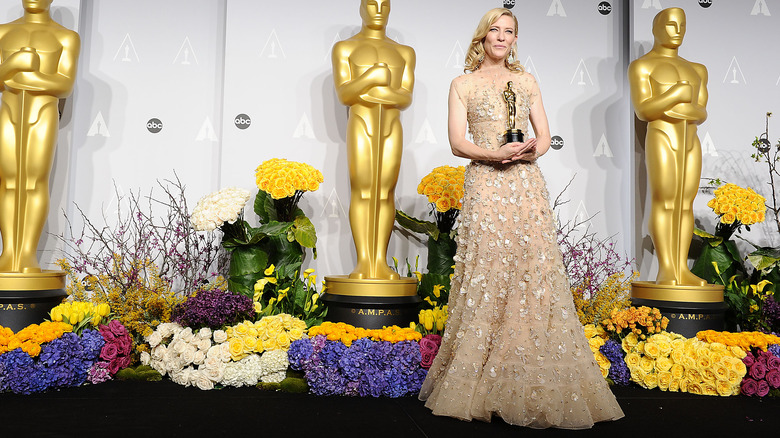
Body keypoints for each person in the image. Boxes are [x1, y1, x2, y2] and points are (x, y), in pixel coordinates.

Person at [418, 8, 624, 429]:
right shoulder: (462, 84)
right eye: (494, 29)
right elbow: (458, 143)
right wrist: (494, 154)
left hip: (525, 184)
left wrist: (533, 150)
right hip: (486, 184)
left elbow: (545, 135)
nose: (501, 36)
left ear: (515, 39)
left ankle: (531, 378)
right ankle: (480, 382)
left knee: (533, 272)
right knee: (487, 270)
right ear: (482, 37)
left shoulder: (527, 81)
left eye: (508, 31)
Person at [332, 0, 415, 281]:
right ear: (361, 8)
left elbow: (404, 98)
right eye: (371, 3)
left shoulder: (404, 52)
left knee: (385, 192)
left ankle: (379, 261)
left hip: (391, 126)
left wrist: (369, 93)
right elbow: (345, 94)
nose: (378, 9)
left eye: (384, 4)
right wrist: (373, 77)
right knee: (363, 190)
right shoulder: (346, 48)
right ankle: (363, 263)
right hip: (362, 124)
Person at [628, 7, 708, 286]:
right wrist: (677, 94)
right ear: (656, 28)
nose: (678, 31)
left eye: (682, 25)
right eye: (672, 25)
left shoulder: (697, 69)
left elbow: (701, 112)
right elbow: (644, 109)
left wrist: (677, 108)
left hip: (690, 139)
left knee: (686, 205)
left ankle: (682, 270)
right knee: (664, 201)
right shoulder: (643, 66)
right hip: (662, 135)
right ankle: (666, 270)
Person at [0, 0, 80, 273]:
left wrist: (25, 78)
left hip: (42, 113)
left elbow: (64, 85)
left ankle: (27, 255)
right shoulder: (2, 32)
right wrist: (13, 63)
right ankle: (8, 252)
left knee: (34, 181)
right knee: (9, 181)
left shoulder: (66, 37)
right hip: (9, 111)